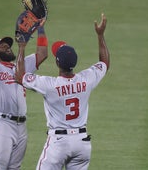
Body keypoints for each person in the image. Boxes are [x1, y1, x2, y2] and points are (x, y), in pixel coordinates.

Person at [15, 13, 110, 170]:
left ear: (57, 63)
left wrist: (22, 46)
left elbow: (19, 76)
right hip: (82, 143)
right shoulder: (86, 79)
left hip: (58, 144)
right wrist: (100, 35)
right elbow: (104, 62)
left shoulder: (49, 85)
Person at [0, 0, 48, 169]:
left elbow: (42, 54)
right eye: (1, 46)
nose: (7, 46)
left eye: (8, 44)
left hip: (21, 127)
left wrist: (41, 29)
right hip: (2, 125)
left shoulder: (20, 66)